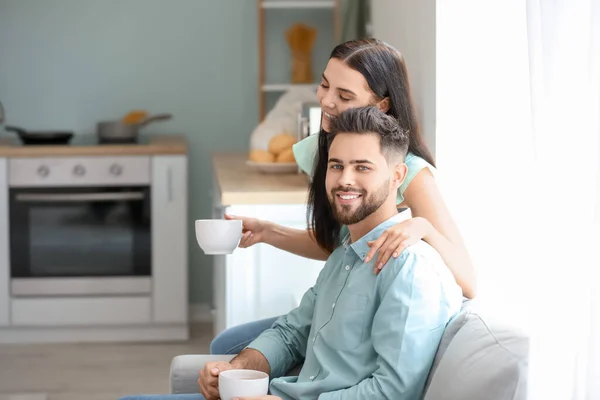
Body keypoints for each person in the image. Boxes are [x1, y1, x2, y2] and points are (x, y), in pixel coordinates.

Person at [118, 107, 463, 400]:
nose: (345, 180)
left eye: (363, 167)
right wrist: (235, 369)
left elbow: (392, 393)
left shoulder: (410, 269)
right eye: (336, 165)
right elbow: (291, 332)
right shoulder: (346, 253)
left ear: (397, 176)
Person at [211, 37, 475, 356]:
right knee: (226, 344)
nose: (327, 101)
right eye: (324, 85)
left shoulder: (409, 170)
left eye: (344, 95)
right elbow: (340, 244)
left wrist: (422, 228)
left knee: (229, 347)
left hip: (370, 314)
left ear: (382, 106)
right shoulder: (323, 148)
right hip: (340, 298)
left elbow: (468, 281)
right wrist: (268, 232)